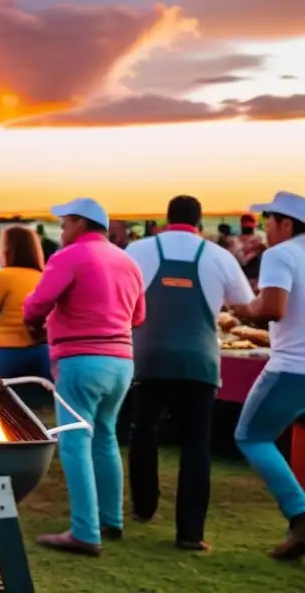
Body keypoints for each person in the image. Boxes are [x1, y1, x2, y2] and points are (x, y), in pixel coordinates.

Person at [125, 195, 254, 551]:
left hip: (150, 358)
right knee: (196, 443)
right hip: (200, 361)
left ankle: (144, 506)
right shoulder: (218, 256)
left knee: (143, 430)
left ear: (167, 218)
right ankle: (190, 533)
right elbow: (245, 305)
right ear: (198, 221)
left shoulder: (138, 250)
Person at [23, 197, 145, 557]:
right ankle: (111, 519)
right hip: (121, 361)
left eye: (64, 223)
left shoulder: (70, 256)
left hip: (80, 359)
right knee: (105, 438)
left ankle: (85, 532)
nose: (61, 230)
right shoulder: (127, 260)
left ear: (79, 223)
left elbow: (35, 305)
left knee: (75, 442)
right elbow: (138, 317)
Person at [229, 191, 305, 559]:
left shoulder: (280, 254)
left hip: (292, 367)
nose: (264, 228)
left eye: (267, 221)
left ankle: (300, 514)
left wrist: (244, 307)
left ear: (285, 223)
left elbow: (272, 309)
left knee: (251, 436)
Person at [0, 225, 50, 379]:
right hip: (41, 352)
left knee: (4, 401)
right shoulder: (43, 277)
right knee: (36, 403)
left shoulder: (4, 276)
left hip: (7, 353)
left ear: (8, 249)